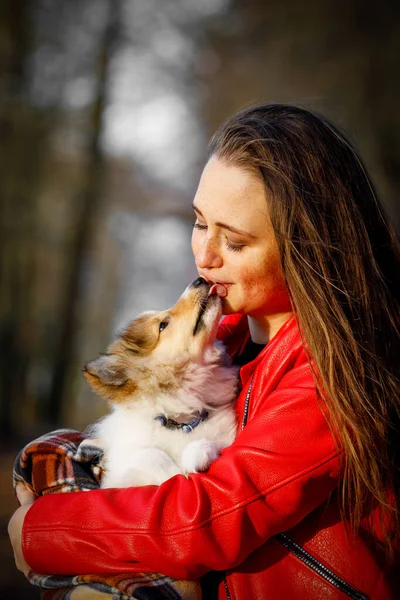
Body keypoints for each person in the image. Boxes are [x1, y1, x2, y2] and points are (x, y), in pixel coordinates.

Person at [9, 103, 400, 599]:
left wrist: (46, 530)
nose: (204, 256)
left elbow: (209, 518)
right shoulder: (228, 341)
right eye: (199, 223)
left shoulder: (337, 371)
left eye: (234, 242)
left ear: (308, 247)